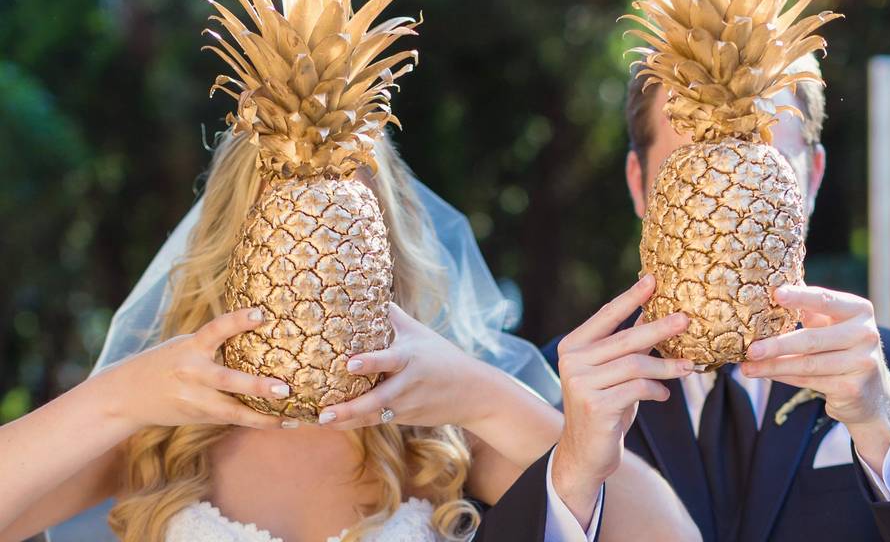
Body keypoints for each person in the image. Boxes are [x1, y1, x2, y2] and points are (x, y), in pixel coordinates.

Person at [0, 132, 699, 542]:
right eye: (285, 244)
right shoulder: (161, 439)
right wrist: (118, 399)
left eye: (339, 242)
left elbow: (668, 536)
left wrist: (487, 400)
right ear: (233, 252)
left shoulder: (439, 438)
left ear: (381, 249)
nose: (312, 274)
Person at [544, 55, 890, 542]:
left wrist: (883, 423)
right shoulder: (553, 393)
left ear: (813, 178)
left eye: (761, 175)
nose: (730, 213)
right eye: (699, 179)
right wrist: (570, 476)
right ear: (640, 183)